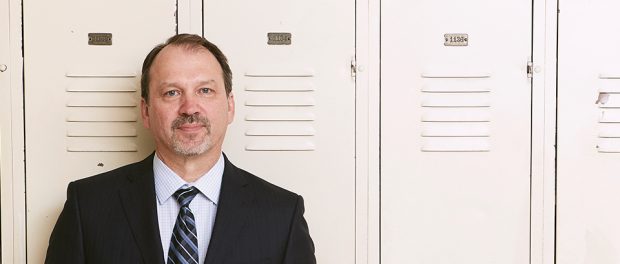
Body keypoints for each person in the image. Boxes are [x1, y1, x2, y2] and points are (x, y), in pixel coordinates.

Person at [45, 34, 316, 264]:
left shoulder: (282, 215)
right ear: (146, 111)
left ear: (230, 106)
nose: (190, 108)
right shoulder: (88, 206)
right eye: (171, 92)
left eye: (205, 90)